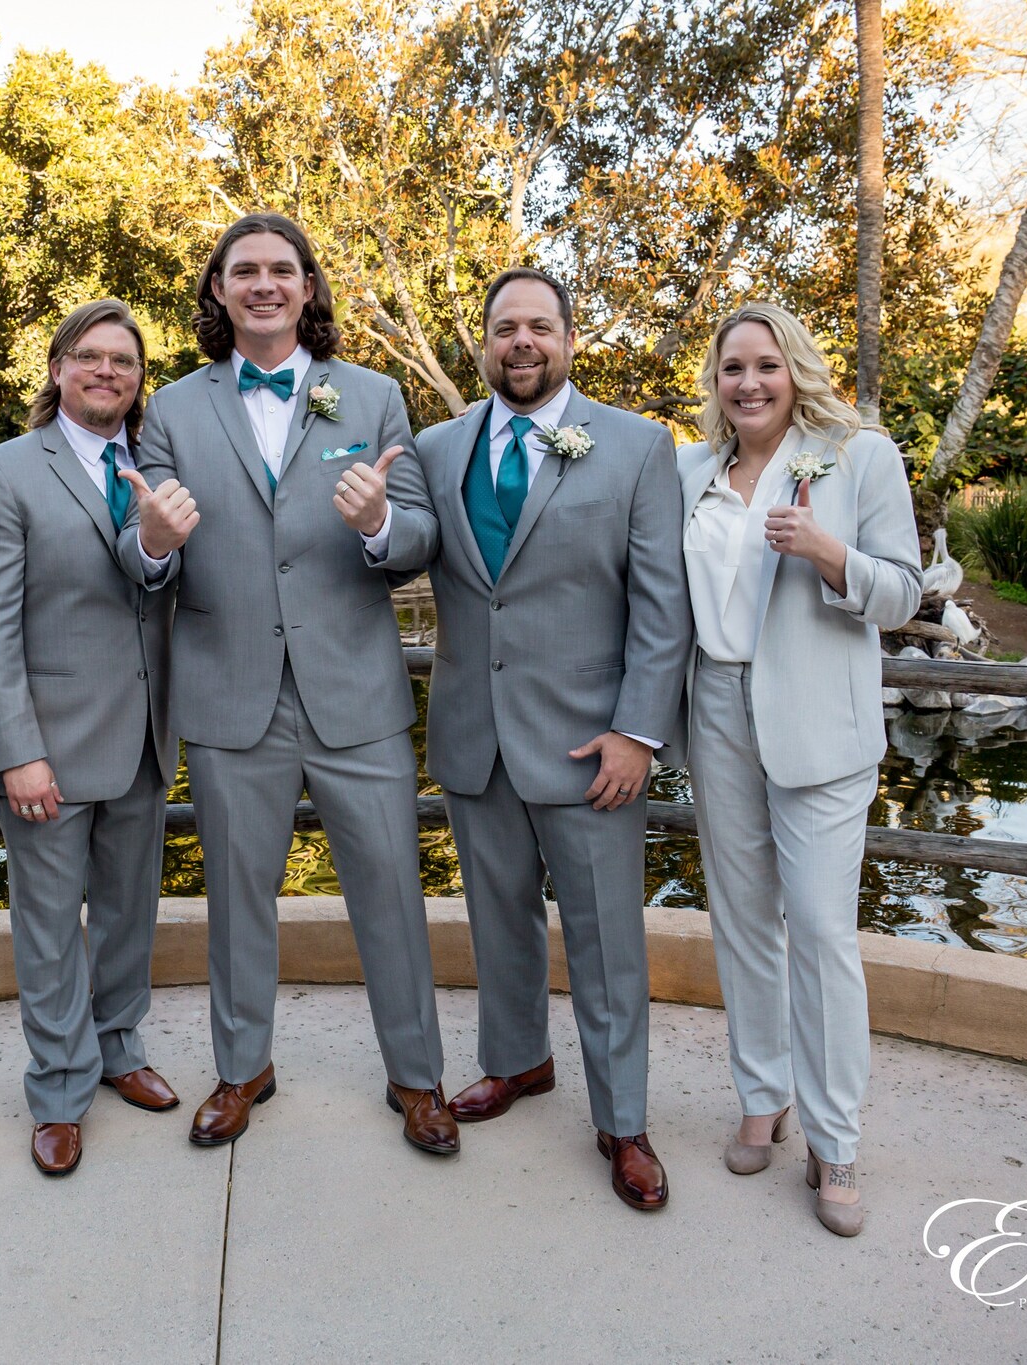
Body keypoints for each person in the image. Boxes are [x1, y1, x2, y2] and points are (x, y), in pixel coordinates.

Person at [115, 213, 455, 1155]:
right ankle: (242, 1068)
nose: (263, 284)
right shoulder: (174, 409)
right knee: (237, 899)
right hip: (229, 699)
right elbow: (137, 542)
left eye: (281, 270)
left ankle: (417, 1079)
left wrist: (384, 521)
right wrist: (152, 544)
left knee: (392, 890)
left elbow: (421, 536)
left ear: (309, 288)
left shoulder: (375, 395)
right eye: (244, 271)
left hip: (356, 695)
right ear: (219, 292)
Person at [417, 267, 692, 1210]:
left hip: (591, 747)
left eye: (540, 326)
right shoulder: (435, 447)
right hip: (473, 732)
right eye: (504, 328)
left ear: (570, 339)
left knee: (608, 939)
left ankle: (624, 1122)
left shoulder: (637, 446)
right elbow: (405, 549)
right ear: (482, 343)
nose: (521, 342)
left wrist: (638, 732)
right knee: (498, 921)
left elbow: (663, 608)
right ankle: (517, 1061)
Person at [674, 301, 920, 1237]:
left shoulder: (862, 454)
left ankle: (836, 1137)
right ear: (716, 380)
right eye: (733, 367)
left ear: (796, 370)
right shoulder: (689, 468)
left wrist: (829, 554)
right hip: (716, 713)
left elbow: (900, 594)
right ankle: (761, 1094)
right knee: (740, 924)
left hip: (819, 722)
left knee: (820, 933)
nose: (749, 383)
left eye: (766, 366)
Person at [0, 300, 182, 1177]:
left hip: (144, 737)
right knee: (50, 925)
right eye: (89, 357)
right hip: (47, 747)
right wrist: (16, 747)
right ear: (57, 370)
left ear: (137, 382)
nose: (106, 372)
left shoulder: (157, 471)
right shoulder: (8, 471)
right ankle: (57, 1087)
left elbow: (157, 585)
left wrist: (160, 545)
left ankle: (119, 1049)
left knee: (130, 913)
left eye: (123, 362)